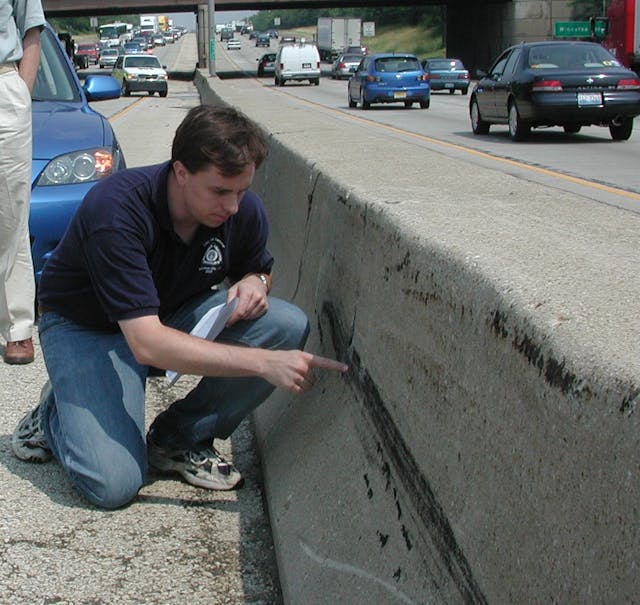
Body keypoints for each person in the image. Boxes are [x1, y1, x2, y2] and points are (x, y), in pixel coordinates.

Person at [11, 104, 348, 509]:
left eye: (242, 191)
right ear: (181, 171)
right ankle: (57, 410)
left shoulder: (240, 211)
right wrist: (263, 364)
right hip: (88, 327)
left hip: (168, 313)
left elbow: (259, 269)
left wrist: (254, 282)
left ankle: (177, 439)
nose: (233, 206)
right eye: (221, 191)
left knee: (284, 324)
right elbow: (148, 345)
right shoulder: (117, 210)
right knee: (113, 484)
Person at [0, 0, 45, 364]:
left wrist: (21, 94)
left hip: (3, 86)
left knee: (11, 214)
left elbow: (31, 30)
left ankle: (18, 327)